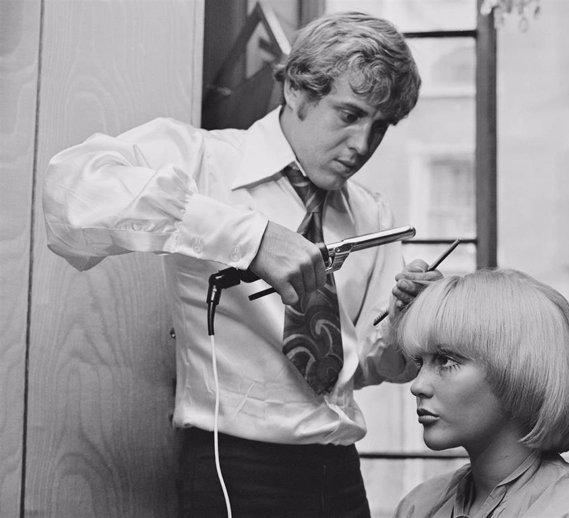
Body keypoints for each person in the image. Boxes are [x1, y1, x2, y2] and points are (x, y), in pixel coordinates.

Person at [43, 11, 442, 518]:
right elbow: (69, 195)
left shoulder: (372, 213)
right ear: (298, 90)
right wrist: (249, 238)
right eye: (349, 115)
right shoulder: (203, 162)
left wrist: (404, 328)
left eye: (379, 127)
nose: (362, 146)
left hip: (340, 472)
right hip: (234, 468)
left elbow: (364, 366)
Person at [393, 270, 569, 518]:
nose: (417, 385)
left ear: (519, 371)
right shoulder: (418, 506)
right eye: (420, 363)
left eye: (446, 360)